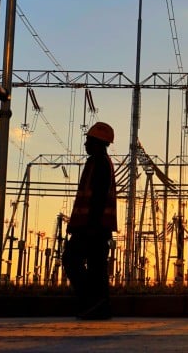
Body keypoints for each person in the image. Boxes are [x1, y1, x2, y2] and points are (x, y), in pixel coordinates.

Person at [62, 121, 118, 320]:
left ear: (99, 142)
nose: (85, 144)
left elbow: (98, 197)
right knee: (96, 267)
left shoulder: (100, 163)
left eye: (89, 140)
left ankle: (93, 302)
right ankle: (99, 306)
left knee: (71, 260)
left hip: (92, 226)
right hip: (93, 225)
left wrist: (90, 226)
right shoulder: (98, 162)